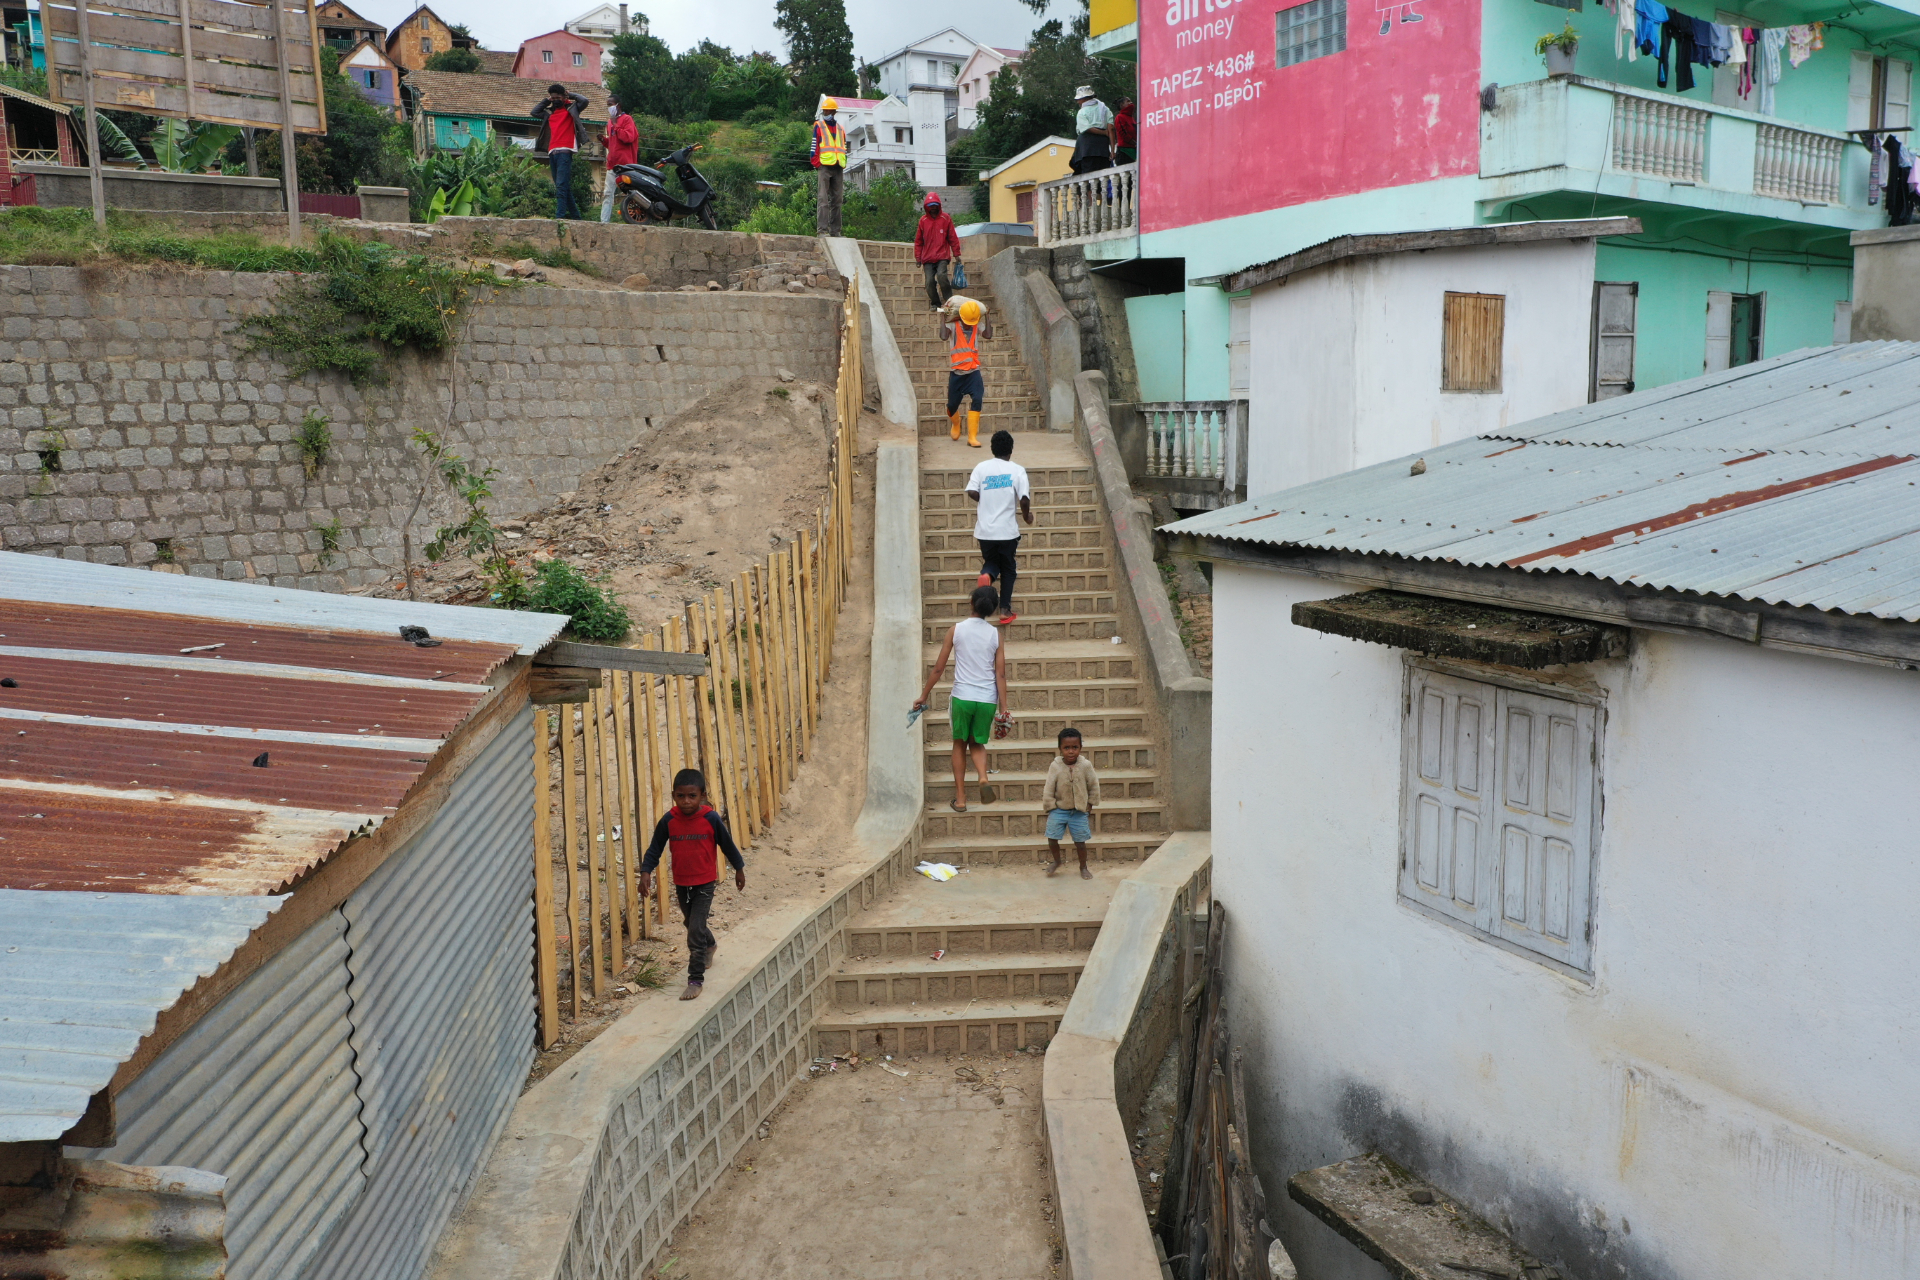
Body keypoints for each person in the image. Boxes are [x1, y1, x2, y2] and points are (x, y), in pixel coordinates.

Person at [638, 768, 746, 1001]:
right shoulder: (669, 820)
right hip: (682, 882)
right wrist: (646, 872)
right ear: (674, 795)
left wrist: (739, 869)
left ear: (702, 795)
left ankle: (695, 979)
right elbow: (655, 848)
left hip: (705, 882)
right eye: (680, 796)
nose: (686, 801)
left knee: (695, 928)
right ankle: (710, 945)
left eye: (692, 796)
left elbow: (727, 845)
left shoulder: (711, 819)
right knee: (690, 922)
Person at [912, 584, 1007, 813]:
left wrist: (924, 695)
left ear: (971, 603)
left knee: (959, 744)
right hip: (986, 699)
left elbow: (938, 668)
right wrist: (1004, 708)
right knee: (977, 743)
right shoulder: (996, 635)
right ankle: (983, 776)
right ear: (993, 609)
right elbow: (1000, 674)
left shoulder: (956, 630)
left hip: (963, 697)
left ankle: (961, 799)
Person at [966, 428, 1032, 624]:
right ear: (1010, 451)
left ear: (992, 449)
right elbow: (1025, 498)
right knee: (1009, 568)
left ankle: (987, 575)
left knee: (991, 562)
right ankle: (1005, 610)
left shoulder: (981, 467)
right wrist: (1027, 516)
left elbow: (971, 491)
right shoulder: (1017, 470)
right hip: (1007, 531)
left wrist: (983, 499)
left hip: (985, 531)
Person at [1041, 727, 1101, 880]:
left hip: (1079, 811)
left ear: (1080, 747)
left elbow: (1093, 784)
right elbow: (1049, 786)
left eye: (1075, 747)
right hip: (1058, 809)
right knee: (1052, 838)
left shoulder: (1086, 765)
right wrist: (1049, 805)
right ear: (1060, 748)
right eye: (1066, 748)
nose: (1071, 751)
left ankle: (1083, 866)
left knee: (1080, 842)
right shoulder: (1055, 766)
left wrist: (1091, 804)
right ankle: (1057, 860)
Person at [940, 295, 992, 446]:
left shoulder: (977, 325)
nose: (969, 325)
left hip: (973, 372)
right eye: (967, 322)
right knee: (951, 406)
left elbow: (988, 335)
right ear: (960, 317)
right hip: (957, 374)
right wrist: (943, 317)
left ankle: (972, 437)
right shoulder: (953, 326)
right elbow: (943, 336)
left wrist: (988, 316)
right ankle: (956, 424)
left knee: (977, 399)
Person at [532, 84, 589, 219]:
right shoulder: (549, 112)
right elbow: (534, 112)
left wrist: (571, 95)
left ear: (564, 97)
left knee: (561, 185)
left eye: (558, 97)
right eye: (553, 98)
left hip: (566, 150)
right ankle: (576, 217)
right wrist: (546, 101)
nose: (555, 100)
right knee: (563, 186)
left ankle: (560, 217)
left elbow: (584, 100)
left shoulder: (572, 108)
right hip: (552, 151)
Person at [914, 192, 963, 310]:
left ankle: (950, 302)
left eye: (935, 205)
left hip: (942, 256)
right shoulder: (923, 221)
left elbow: (952, 237)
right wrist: (918, 258)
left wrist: (956, 254)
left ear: (939, 205)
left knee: (942, 276)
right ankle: (935, 303)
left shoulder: (946, 218)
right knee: (929, 282)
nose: (933, 208)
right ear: (927, 207)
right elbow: (919, 241)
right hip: (927, 258)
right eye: (931, 206)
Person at [811, 97, 848, 236]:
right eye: (825, 110)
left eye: (828, 110)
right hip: (825, 166)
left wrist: (843, 162)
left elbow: (844, 147)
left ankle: (835, 231)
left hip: (838, 166)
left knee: (837, 200)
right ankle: (822, 230)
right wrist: (817, 164)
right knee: (823, 199)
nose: (826, 112)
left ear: (833, 112)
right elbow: (814, 146)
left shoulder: (840, 128)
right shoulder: (819, 126)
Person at [599, 95, 638, 222]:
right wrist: (604, 141)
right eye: (608, 105)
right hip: (612, 164)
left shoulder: (627, 119)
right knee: (607, 193)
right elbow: (613, 143)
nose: (609, 107)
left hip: (626, 165)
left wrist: (616, 125)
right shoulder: (610, 122)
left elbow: (628, 138)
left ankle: (636, 219)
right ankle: (604, 222)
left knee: (632, 194)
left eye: (611, 104)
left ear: (618, 106)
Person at [1070, 84, 1114, 175]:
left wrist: (1104, 133)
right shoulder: (1105, 109)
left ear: (1086, 98)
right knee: (1102, 177)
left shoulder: (1082, 112)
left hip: (1087, 147)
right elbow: (1111, 130)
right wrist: (1113, 151)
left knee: (1087, 175)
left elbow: (1087, 128)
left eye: (1079, 99)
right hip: (1103, 148)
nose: (1078, 102)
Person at [1112, 98, 1137, 166]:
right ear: (1121, 105)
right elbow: (1123, 133)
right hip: (1124, 151)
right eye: (1128, 101)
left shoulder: (1132, 118)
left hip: (1134, 150)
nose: (1131, 103)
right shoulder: (1119, 117)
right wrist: (1135, 143)